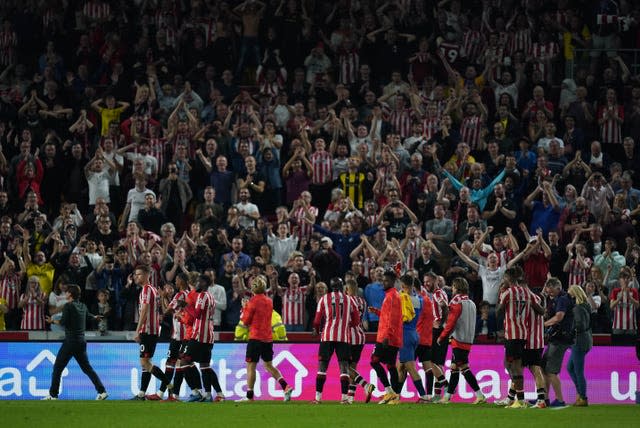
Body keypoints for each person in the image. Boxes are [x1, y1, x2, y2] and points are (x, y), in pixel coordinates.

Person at [42, 284, 108, 400]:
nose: (65, 294)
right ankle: (102, 391)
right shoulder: (82, 305)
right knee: (87, 368)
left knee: (58, 368)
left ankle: (53, 395)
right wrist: (95, 317)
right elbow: (88, 316)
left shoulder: (68, 306)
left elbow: (63, 322)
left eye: (67, 292)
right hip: (81, 341)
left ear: (70, 294)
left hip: (71, 341)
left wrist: (52, 321)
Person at [237, 275, 293, 402]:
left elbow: (245, 321)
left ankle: (250, 397)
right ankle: (286, 386)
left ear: (253, 288)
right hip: (267, 338)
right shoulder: (269, 301)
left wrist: (245, 307)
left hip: (255, 338)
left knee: (251, 366)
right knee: (268, 365)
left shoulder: (252, 302)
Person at [496, 266, 543, 408]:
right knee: (509, 365)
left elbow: (498, 311)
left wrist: (501, 296)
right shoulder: (527, 293)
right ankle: (514, 398)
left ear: (509, 278)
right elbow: (540, 310)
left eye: (505, 277)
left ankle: (521, 400)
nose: (503, 280)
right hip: (522, 333)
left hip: (512, 334)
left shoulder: (508, 293)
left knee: (515, 367)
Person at [437, 277, 486, 404]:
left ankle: (480, 395)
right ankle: (447, 397)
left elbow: (451, 322)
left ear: (457, 287)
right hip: (469, 339)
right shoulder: (472, 302)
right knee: (454, 367)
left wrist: (442, 336)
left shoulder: (456, 301)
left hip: (458, 339)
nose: (452, 289)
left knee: (463, 368)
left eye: (453, 287)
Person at [311, 277, 360, 404]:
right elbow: (356, 320)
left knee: (322, 367)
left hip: (327, 335)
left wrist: (316, 329)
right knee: (344, 367)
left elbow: (316, 320)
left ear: (331, 286)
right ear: (342, 285)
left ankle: (318, 398)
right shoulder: (349, 299)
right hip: (343, 337)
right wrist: (346, 325)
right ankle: (344, 398)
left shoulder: (324, 299)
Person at [130, 265, 172, 400]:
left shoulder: (147, 290)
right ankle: (142, 394)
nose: (136, 277)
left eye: (139, 274)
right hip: (152, 331)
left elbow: (144, 311)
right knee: (146, 363)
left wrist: (137, 330)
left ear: (147, 275)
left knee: (145, 363)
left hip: (147, 331)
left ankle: (169, 385)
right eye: (135, 274)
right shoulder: (152, 290)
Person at [368, 269, 403, 405]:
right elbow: (387, 315)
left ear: (393, 282)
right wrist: (377, 312)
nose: (384, 282)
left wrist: (387, 336)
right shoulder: (391, 295)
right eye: (383, 280)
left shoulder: (392, 296)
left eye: (386, 280)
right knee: (390, 365)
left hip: (387, 336)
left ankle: (389, 392)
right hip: (392, 336)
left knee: (374, 361)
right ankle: (394, 396)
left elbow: (392, 319)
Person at [394, 275, 430, 403]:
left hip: (405, 335)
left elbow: (396, 297)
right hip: (414, 334)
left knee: (410, 367)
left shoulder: (403, 298)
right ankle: (396, 395)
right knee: (401, 367)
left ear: (404, 286)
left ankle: (423, 396)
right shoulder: (419, 299)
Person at [542, 277, 575, 407]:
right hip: (555, 339)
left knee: (551, 371)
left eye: (551, 291)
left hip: (560, 339)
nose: (549, 293)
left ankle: (560, 400)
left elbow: (559, 317)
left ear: (558, 288)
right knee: (544, 368)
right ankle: (543, 399)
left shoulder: (562, 299)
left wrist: (543, 324)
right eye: (548, 291)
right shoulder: (556, 299)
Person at [344, 280, 375, 403]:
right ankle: (351, 398)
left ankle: (366, 385)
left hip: (349, 337)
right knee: (353, 367)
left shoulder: (346, 301)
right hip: (361, 336)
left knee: (345, 367)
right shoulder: (362, 301)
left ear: (347, 289)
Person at [567, 284, 593, 407]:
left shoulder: (577, 308)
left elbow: (579, 325)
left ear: (574, 295)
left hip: (579, 341)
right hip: (586, 339)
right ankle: (580, 394)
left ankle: (582, 397)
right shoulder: (586, 306)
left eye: (570, 294)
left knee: (578, 371)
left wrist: (570, 331)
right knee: (571, 368)